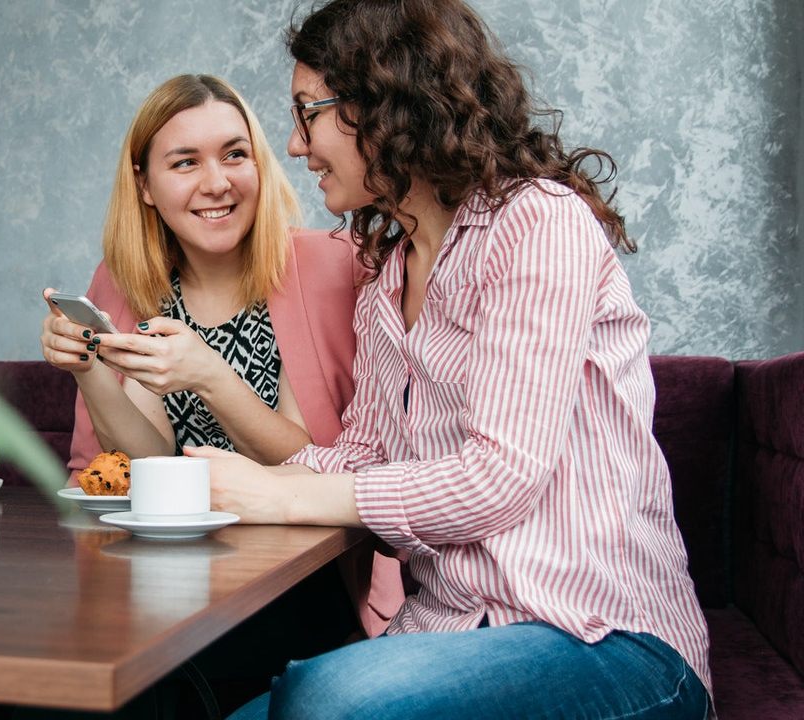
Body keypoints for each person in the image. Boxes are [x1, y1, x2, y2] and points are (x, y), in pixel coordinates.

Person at [187, 2, 714, 718]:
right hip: (450, 631)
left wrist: (279, 495)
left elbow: (500, 477)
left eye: (308, 113)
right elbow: (364, 457)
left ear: (385, 102)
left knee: (327, 698)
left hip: (607, 641)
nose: (295, 144)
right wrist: (228, 482)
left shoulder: (537, 222)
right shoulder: (386, 283)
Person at [39, 73, 405, 636]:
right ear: (145, 185)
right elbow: (147, 463)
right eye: (185, 163)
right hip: (163, 577)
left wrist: (210, 376)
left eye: (235, 155)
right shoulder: (123, 283)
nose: (218, 184)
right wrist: (89, 371)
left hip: (308, 583)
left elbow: (319, 468)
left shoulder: (333, 265)